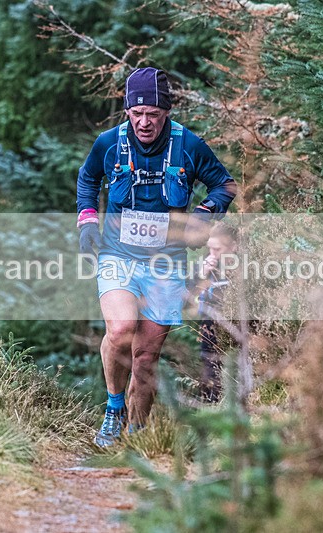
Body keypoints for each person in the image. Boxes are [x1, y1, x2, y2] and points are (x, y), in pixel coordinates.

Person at [76, 67, 236, 447]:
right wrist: (87, 221)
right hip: (118, 254)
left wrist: (203, 215)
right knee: (119, 330)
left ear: (166, 112)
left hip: (167, 263)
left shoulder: (188, 145)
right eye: (137, 113)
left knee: (146, 358)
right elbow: (87, 180)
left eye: (153, 114)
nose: (144, 122)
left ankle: (137, 435)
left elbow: (224, 184)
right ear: (127, 111)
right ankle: (114, 410)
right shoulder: (109, 143)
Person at [194, 222, 238, 403]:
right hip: (209, 324)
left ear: (233, 247)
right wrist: (201, 274)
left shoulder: (243, 266)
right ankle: (210, 406)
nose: (212, 255)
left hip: (235, 325)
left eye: (217, 249)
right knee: (209, 364)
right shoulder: (205, 266)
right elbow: (187, 295)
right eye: (209, 249)